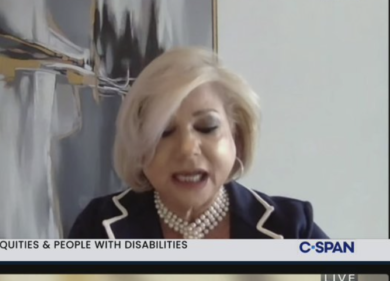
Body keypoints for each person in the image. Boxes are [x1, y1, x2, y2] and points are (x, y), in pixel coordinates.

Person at [69, 47, 327, 240]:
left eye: (207, 128)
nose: (187, 148)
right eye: (164, 132)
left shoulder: (292, 227)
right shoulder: (97, 225)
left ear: (236, 135)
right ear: (139, 144)